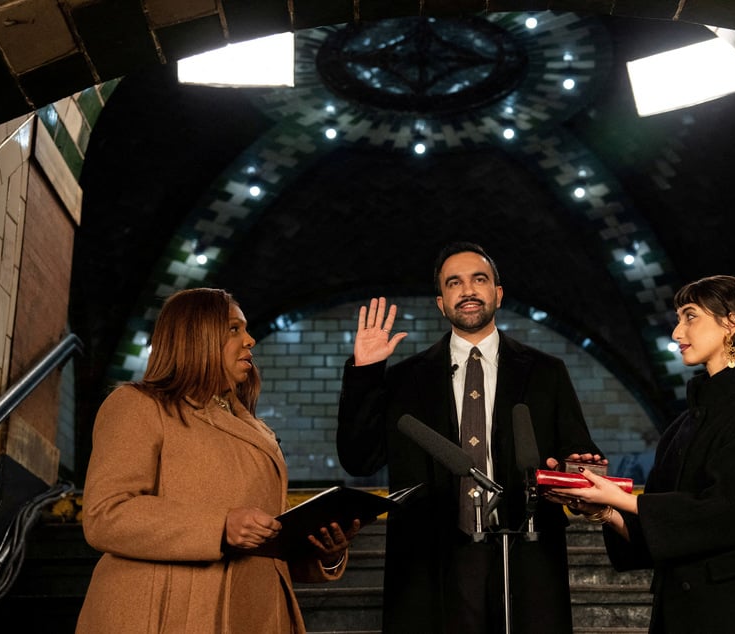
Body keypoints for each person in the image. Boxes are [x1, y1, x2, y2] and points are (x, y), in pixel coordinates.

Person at [337, 241, 607, 634]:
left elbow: (576, 452)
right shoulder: (404, 379)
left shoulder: (547, 372)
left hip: (524, 556)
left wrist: (580, 472)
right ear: (441, 303)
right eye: (454, 283)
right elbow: (359, 460)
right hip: (431, 565)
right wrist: (366, 373)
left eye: (479, 279)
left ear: (497, 293)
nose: (467, 290)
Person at [77, 288, 360, 633]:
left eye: (246, 329)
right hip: (168, 615)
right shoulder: (137, 405)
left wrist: (324, 552)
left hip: (258, 614)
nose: (250, 340)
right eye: (233, 329)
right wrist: (220, 527)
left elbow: (267, 538)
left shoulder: (257, 431)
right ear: (196, 335)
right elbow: (106, 514)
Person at [544, 275, 735, 633]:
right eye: (679, 318)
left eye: (690, 316)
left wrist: (626, 501)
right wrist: (605, 508)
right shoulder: (679, 428)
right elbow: (657, 535)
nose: (676, 333)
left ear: (731, 323)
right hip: (681, 615)